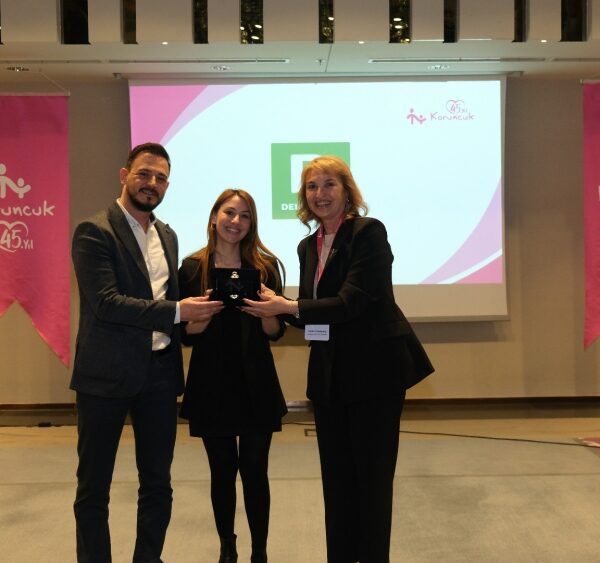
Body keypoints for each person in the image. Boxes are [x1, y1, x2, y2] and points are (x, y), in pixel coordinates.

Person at [242, 155, 434, 563]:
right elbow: (314, 312)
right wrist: (273, 306)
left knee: (372, 484)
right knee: (337, 483)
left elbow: (352, 302)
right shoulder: (306, 246)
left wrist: (287, 306)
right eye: (312, 186)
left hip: (375, 375)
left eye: (329, 184)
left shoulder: (368, 233)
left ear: (347, 191)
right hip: (330, 379)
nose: (320, 193)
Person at [70, 142, 222, 563]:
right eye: (144, 174)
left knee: (157, 484)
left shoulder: (167, 235)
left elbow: (167, 300)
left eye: (160, 178)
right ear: (124, 175)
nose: (151, 183)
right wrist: (178, 311)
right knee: (93, 488)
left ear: (167, 185)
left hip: (159, 375)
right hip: (104, 377)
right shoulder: (93, 231)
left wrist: (195, 315)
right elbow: (107, 303)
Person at [178, 188, 287, 563]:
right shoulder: (193, 268)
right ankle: (228, 545)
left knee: (255, 469)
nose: (235, 221)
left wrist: (267, 311)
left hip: (256, 382)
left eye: (245, 215)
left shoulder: (266, 267)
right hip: (211, 383)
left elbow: (275, 332)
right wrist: (202, 314)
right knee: (222, 470)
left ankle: (260, 551)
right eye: (229, 212)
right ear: (214, 217)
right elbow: (186, 336)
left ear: (252, 224)